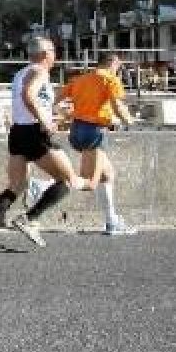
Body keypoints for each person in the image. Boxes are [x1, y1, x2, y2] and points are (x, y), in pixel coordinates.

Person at [0, 37, 90, 251]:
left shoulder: (22, 72)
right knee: (67, 180)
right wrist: (45, 120)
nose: (56, 56)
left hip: (18, 132)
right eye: (54, 51)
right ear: (46, 53)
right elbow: (29, 96)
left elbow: (30, 100)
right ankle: (29, 218)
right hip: (34, 133)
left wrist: (55, 113)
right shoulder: (40, 71)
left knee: (16, 185)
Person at [59, 53, 137, 235]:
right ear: (111, 62)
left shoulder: (80, 79)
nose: (119, 69)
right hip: (94, 132)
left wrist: (60, 116)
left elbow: (57, 98)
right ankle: (40, 188)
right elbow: (117, 106)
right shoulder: (111, 79)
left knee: (107, 174)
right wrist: (129, 121)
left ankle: (112, 222)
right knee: (88, 181)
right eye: (118, 65)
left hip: (77, 130)